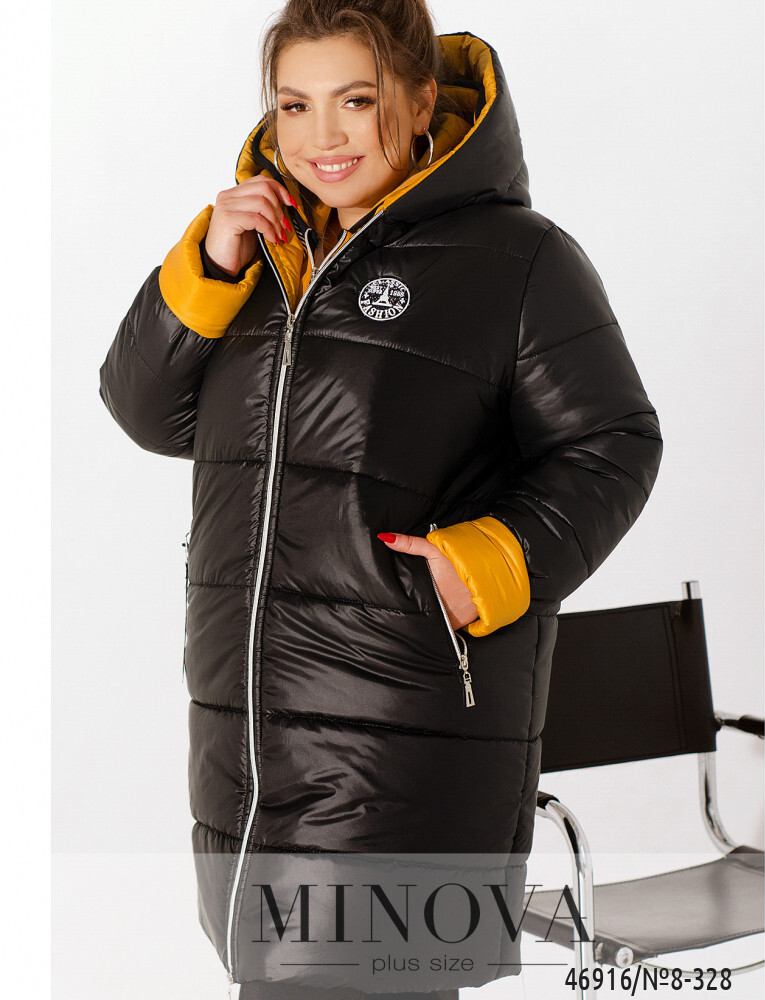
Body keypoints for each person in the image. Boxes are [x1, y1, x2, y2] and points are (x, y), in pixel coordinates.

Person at [98, 1, 663, 996]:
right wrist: (209, 264)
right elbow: (147, 410)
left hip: (401, 727)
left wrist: (486, 563)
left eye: (354, 101)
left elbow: (613, 443)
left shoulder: (520, 261)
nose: (321, 135)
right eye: (294, 105)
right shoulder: (263, 257)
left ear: (416, 101)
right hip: (249, 741)